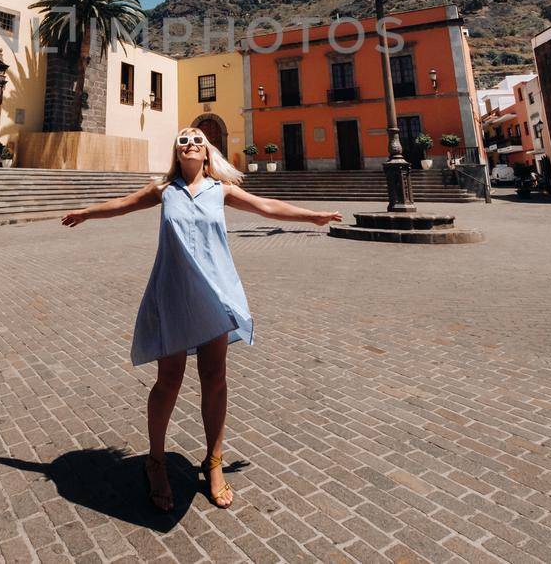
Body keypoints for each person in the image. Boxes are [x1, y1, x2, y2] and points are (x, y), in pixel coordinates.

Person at [61, 128, 341, 511]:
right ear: (176, 153)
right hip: (174, 294)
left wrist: (313, 216)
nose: (190, 143)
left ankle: (213, 462)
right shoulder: (164, 191)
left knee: (215, 378)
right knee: (168, 381)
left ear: (207, 152)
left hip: (215, 294)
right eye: (182, 140)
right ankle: (155, 462)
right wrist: (87, 213)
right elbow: (122, 204)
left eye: (196, 139)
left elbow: (266, 206)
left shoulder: (221, 190)